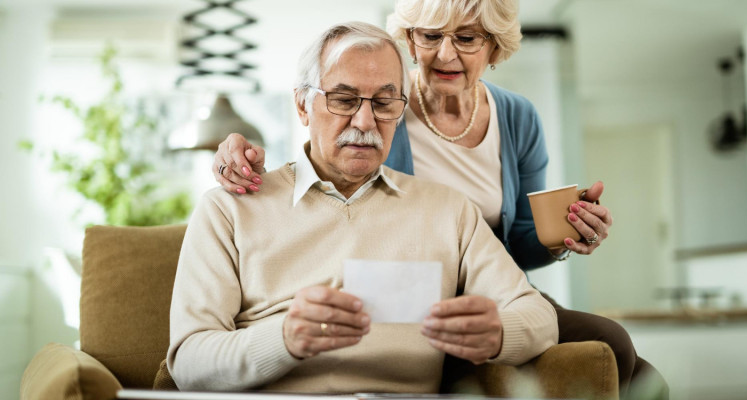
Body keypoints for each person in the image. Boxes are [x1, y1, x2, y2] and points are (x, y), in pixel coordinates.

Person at [210, 1, 667, 398]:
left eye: (467, 37)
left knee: (632, 364)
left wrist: (563, 236)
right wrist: (236, 151)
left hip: (485, 285)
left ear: (494, 46)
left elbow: (523, 240)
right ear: (410, 38)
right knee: (617, 350)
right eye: (430, 35)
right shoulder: (383, 99)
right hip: (410, 286)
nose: (445, 54)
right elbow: (325, 154)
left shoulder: (517, 117)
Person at [167, 21, 558, 393]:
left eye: (385, 103)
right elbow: (188, 362)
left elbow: (539, 318)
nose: (366, 120)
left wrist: (500, 333)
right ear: (303, 106)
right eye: (344, 99)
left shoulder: (448, 211)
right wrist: (283, 338)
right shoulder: (230, 209)